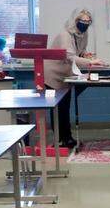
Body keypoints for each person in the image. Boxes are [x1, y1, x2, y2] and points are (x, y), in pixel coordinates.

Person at [45, 8, 105, 148]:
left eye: (89, 21)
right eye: (83, 21)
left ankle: (67, 138)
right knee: (58, 108)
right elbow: (70, 56)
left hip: (66, 75)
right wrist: (90, 62)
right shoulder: (65, 35)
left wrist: (87, 55)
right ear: (75, 20)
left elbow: (80, 51)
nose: (86, 24)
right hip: (53, 74)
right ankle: (60, 140)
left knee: (65, 107)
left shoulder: (83, 34)